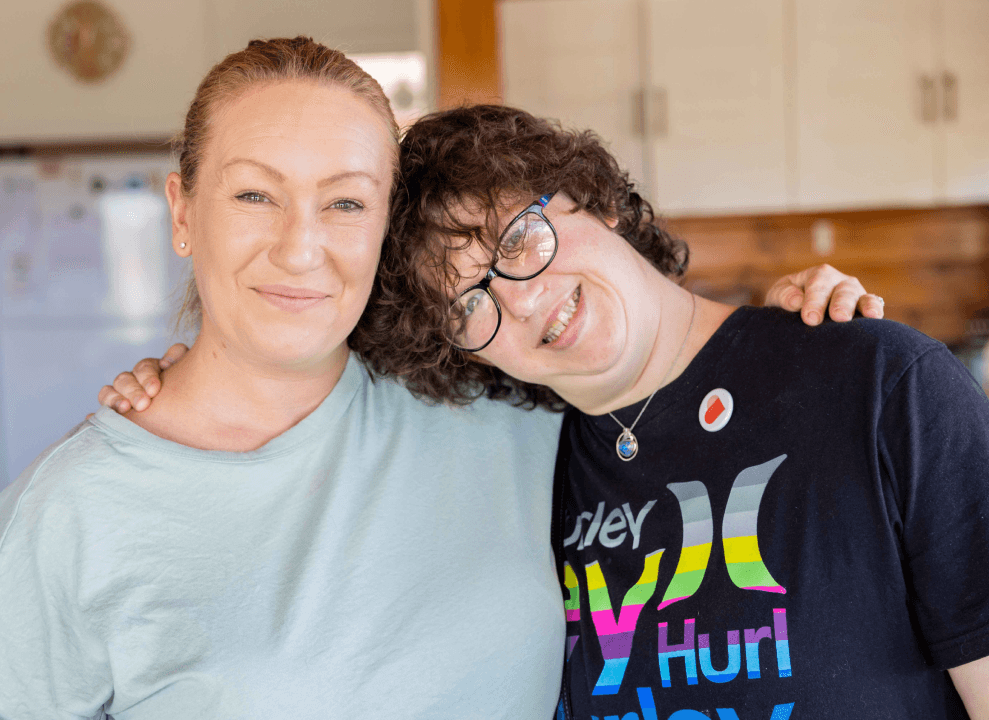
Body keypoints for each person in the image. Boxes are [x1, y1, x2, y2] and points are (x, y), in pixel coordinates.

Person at [0, 39, 874, 720]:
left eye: (346, 202)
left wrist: (782, 335)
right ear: (182, 208)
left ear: (383, 235)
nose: (301, 244)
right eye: (254, 194)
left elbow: (651, 356)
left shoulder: (497, 402)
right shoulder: (75, 510)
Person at [107, 103, 989, 719]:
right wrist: (179, 386)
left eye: (520, 239)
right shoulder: (515, 458)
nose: (521, 303)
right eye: (468, 305)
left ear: (593, 198)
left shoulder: (876, 384)